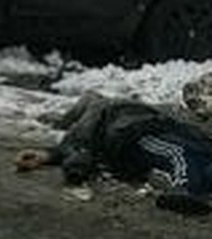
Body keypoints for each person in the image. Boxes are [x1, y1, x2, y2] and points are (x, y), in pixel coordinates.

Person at [16, 91, 212, 214]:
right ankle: (184, 189)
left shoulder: (114, 105)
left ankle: (190, 189)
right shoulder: (101, 109)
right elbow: (80, 140)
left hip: (157, 131)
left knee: (195, 158)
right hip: (135, 137)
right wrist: (51, 155)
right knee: (178, 154)